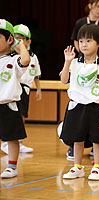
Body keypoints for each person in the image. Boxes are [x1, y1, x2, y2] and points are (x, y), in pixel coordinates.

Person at [60, 24, 99, 181]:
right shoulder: (75, 62)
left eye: (88, 40)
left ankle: (96, 167)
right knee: (77, 139)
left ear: (98, 43)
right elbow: (64, 80)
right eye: (81, 41)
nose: (84, 44)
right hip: (77, 107)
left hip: (96, 107)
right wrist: (67, 62)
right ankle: (77, 167)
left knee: (98, 140)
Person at [1, 24, 42, 155]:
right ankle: (5, 143)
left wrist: (39, 89)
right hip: (15, 88)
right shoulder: (11, 58)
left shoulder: (24, 57)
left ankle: (16, 146)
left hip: (22, 90)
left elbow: (34, 71)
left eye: (22, 39)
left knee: (20, 117)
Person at [0, 19, 31, 178]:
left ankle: (12, 166)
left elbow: (25, 60)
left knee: (11, 138)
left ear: (9, 40)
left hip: (8, 105)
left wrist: (20, 46)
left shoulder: (13, 60)